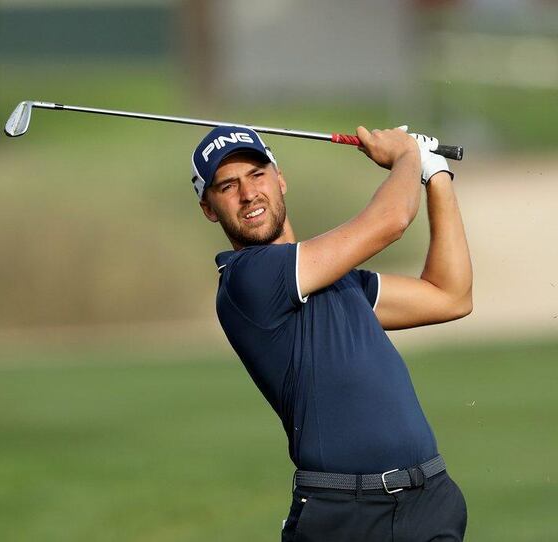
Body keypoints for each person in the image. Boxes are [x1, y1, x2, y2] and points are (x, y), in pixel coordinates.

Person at [190, 123, 472, 541]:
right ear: (210, 208)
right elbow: (391, 220)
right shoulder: (248, 279)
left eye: (257, 174)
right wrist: (408, 155)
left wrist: (436, 175)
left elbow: (450, 295)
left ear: (280, 179)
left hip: (429, 502)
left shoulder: (340, 281)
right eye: (227, 185)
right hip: (344, 516)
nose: (248, 194)